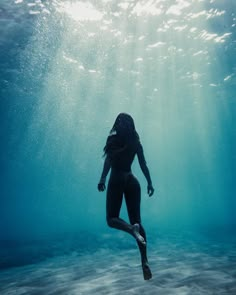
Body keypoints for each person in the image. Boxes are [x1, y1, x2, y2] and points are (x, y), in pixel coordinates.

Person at [97, 113, 154, 280]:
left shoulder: (113, 139)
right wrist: (149, 182)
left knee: (112, 218)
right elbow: (143, 164)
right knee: (138, 220)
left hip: (117, 178)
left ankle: (131, 230)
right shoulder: (135, 142)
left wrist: (102, 179)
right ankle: (144, 260)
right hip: (132, 180)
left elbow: (109, 160)